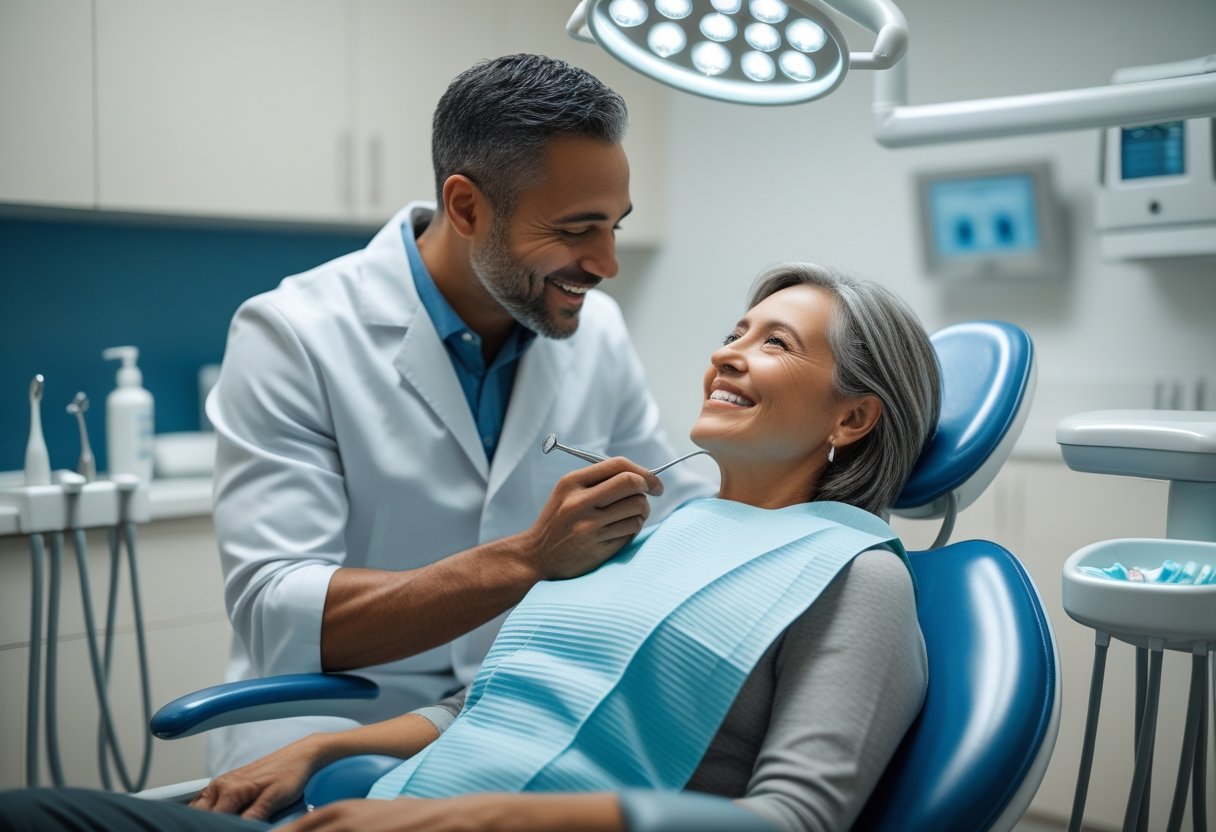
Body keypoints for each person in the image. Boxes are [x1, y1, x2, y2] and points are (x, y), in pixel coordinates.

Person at [0, 262, 942, 832]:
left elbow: (796, 819)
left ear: (853, 416)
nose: (727, 353)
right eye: (733, 332)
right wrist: (323, 747)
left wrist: (483, 817)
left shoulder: (853, 578)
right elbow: (492, 702)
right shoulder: (657, 529)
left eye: (775, 343)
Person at [202, 53, 712, 773]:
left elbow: (673, 517)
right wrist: (529, 560)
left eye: (615, 228)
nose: (606, 264)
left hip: (516, 714)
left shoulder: (597, 332)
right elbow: (278, 612)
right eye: (575, 230)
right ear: (469, 207)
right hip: (335, 723)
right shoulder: (293, 334)